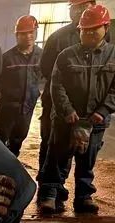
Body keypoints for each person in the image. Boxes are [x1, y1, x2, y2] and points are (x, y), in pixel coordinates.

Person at [38, 5, 115, 215]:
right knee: (57, 157)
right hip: (66, 119)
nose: (88, 33)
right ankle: (51, 195)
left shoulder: (112, 56)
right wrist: (67, 110)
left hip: (96, 120)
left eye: (93, 29)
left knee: (87, 159)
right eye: (84, 30)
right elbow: (56, 85)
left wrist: (103, 111)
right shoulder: (66, 55)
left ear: (105, 28)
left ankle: (84, 196)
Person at [38, 0, 96, 182]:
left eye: (83, 6)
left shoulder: (102, 37)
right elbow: (46, 68)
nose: (79, 11)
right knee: (52, 145)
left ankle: (81, 191)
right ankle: (48, 187)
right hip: (55, 103)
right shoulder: (58, 38)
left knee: (84, 149)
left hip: (87, 106)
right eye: (76, 7)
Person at [0, 15, 43, 157]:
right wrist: (10, 95)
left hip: (27, 108)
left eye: (31, 32)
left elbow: (43, 77)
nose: (28, 36)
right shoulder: (7, 58)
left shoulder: (41, 56)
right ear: (17, 35)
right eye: (23, 33)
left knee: (18, 140)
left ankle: (11, 166)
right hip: (7, 108)